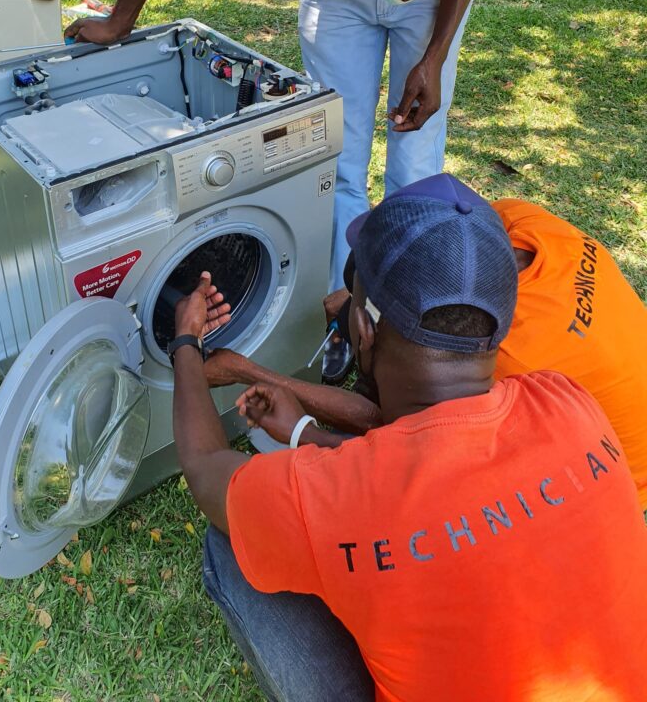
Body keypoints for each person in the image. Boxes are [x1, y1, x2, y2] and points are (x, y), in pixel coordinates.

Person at [64, 0, 537, 379]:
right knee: (338, 159)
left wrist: (436, 51)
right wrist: (120, 17)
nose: (402, 2)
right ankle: (344, 321)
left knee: (417, 169)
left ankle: (403, 329)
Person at [170, 176, 647, 702]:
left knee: (232, 539)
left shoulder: (342, 496)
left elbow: (204, 466)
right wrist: (306, 432)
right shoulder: (566, 401)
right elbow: (436, 477)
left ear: (366, 330)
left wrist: (186, 343)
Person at [206, 181, 647, 509]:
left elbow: (408, 451)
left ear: (374, 324)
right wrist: (353, 304)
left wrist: (248, 373)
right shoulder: (524, 221)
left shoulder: (506, 360)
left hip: (615, 483)